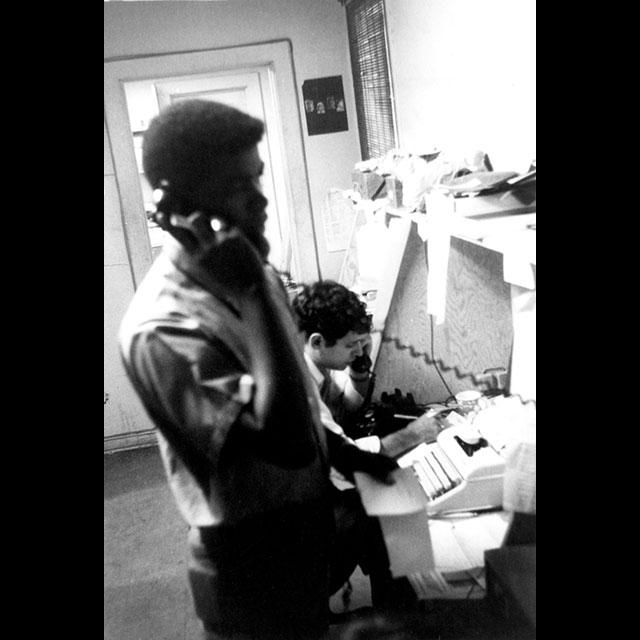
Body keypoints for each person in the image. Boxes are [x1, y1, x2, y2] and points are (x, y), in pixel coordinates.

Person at [118, 99, 397, 640]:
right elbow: (284, 441)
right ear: (177, 202)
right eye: (238, 186)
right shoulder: (163, 328)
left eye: (258, 177)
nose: (262, 199)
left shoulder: (249, 268)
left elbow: (292, 397)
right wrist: (253, 292)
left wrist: (344, 454)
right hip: (248, 566)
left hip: (301, 538)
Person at [291, 281, 415, 613]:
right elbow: (341, 455)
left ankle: (395, 605)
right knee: (386, 499)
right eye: (351, 345)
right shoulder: (298, 386)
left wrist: (359, 369)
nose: (359, 352)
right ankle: (399, 613)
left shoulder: (312, 364)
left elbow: (340, 407)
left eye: (362, 343)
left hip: (302, 497)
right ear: (317, 342)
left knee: (382, 504)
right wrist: (415, 435)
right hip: (297, 524)